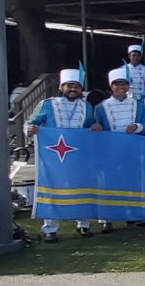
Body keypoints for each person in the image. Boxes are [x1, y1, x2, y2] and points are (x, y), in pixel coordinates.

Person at [26, 69, 97, 242]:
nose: (73, 89)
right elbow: (30, 122)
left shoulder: (87, 107)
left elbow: (90, 124)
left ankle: (84, 224)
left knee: (82, 188)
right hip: (53, 157)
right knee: (52, 189)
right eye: (69, 85)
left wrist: (96, 126)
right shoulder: (47, 104)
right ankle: (50, 228)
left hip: (79, 157)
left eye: (77, 86)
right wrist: (30, 130)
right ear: (61, 87)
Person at [95, 68, 145, 233]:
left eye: (124, 84)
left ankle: (132, 215)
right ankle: (106, 219)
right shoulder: (100, 107)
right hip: (110, 150)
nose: (120, 87)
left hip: (132, 149)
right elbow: (96, 129)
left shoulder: (138, 106)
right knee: (108, 184)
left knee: (132, 183)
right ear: (111, 87)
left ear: (128, 86)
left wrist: (137, 126)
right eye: (117, 84)